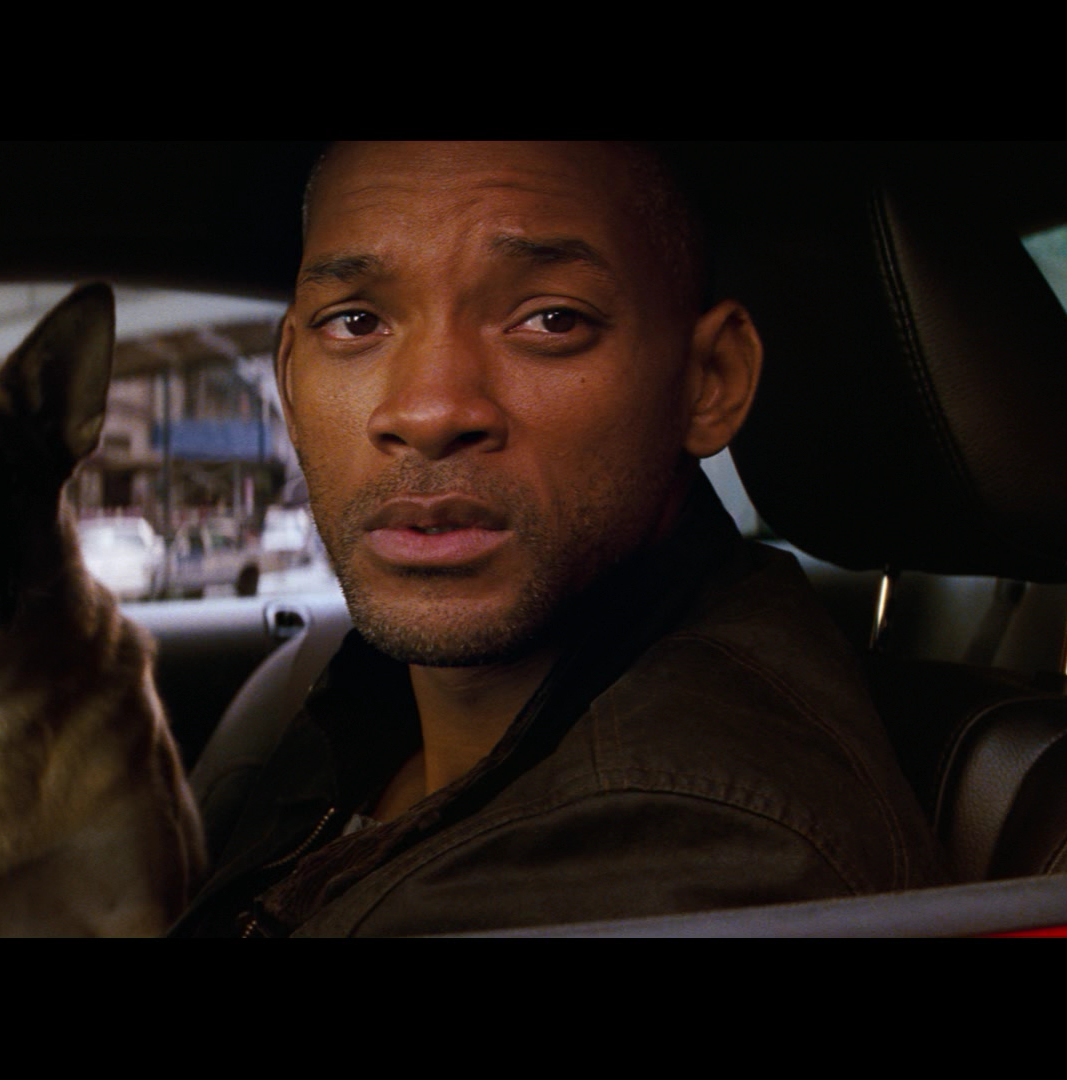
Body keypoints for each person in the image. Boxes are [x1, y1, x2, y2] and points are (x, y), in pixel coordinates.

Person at [171, 141, 946, 937]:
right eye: (356, 322)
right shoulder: (372, 697)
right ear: (290, 381)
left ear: (708, 380)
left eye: (551, 320)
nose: (428, 412)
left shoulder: (692, 847)